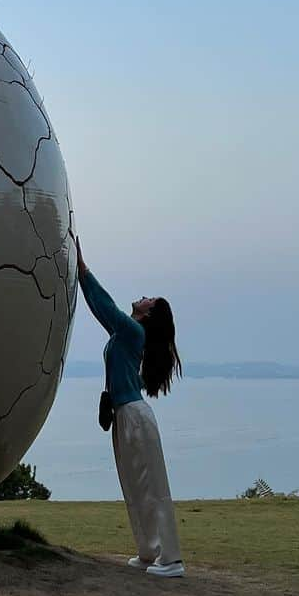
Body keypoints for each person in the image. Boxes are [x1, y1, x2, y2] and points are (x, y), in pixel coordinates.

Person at [75, 236, 185, 577]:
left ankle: (172, 560)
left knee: (152, 485)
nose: (144, 296)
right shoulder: (125, 335)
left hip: (136, 417)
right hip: (125, 416)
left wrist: (83, 269)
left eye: (150, 298)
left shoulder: (133, 332)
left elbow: (104, 307)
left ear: (148, 313)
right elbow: (104, 310)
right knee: (134, 486)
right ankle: (149, 551)